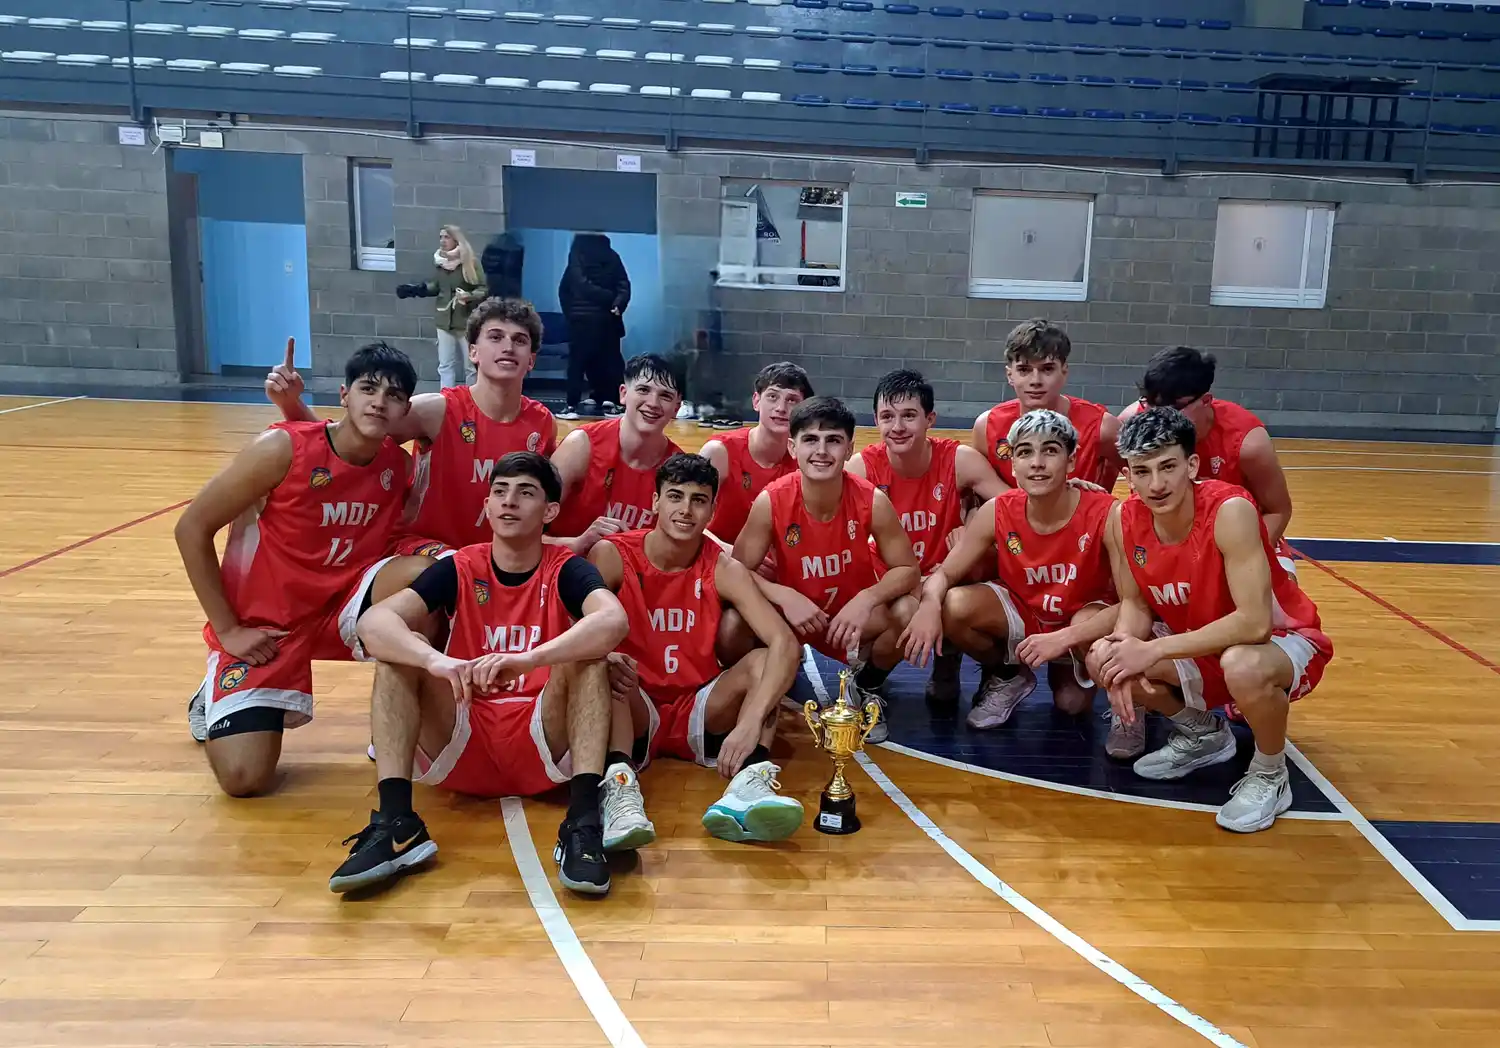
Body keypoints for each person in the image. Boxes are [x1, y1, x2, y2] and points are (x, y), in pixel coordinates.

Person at [332, 452, 639, 896]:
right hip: (463, 729)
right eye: (500, 491)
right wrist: (437, 660)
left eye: (525, 492)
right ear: (488, 505)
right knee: (398, 656)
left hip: (539, 737)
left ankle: (583, 823)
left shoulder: (567, 568)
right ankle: (396, 824)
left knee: (591, 658)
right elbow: (372, 624)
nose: (509, 501)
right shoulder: (459, 566)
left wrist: (531, 659)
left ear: (550, 511)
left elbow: (613, 622)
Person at [177, 343, 418, 795]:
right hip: (267, 624)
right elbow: (190, 529)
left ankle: (410, 727)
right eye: (368, 389)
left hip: (341, 606)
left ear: (405, 409)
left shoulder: (397, 466)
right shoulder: (279, 449)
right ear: (345, 395)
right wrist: (227, 630)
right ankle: (215, 689)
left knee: (433, 578)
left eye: (393, 396)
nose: (379, 402)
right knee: (243, 780)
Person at [1089, 408, 1333, 834]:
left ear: (1192, 464)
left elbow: (1255, 624)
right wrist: (1122, 648)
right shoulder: (1122, 519)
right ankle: (1205, 735)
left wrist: (1152, 648)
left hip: (1280, 641)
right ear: (1127, 474)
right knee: (1104, 656)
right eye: (1142, 471)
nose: (1156, 484)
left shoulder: (1229, 510)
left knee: (1242, 664)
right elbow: (1135, 603)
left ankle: (1270, 772)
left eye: (1168, 467)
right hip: (1200, 640)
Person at [588, 454, 806, 842]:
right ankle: (619, 787)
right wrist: (604, 653)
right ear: (655, 502)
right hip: (635, 705)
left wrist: (750, 721)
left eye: (698, 500)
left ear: (712, 511)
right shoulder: (612, 555)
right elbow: (571, 628)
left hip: (700, 706)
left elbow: (784, 643)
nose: (685, 510)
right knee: (599, 663)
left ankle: (748, 779)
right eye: (675, 496)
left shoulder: (722, 567)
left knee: (766, 661)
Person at [901, 409, 1118, 730]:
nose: (1037, 462)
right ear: (1013, 464)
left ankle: (1131, 713)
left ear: (1071, 462)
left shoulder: (1107, 512)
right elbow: (945, 574)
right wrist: (929, 604)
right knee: (952, 604)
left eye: (1051, 451)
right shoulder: (997, 510)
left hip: (1081, 622)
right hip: (1026, 613)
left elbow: (1134, 605)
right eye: (1025, 452)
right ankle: (1009, 676)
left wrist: (1064, 637)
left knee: (1072, 705)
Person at [730, 397, 920, 738]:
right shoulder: (771, 500)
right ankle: (754, 683)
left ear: (849, 449)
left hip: (849, 619)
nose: (822, 451)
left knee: (907, 609)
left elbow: (907, 569)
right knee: (732, 624)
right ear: (792, 447)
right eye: (810, 440)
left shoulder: (871, 499)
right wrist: (783, 594)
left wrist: (866, 599)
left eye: (833, 440)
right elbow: (734, 572)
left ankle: (867, 683)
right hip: (793, 618)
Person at [847, 368, 1007, 704]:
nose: (898, 427)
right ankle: (870, 678)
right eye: (887, 416)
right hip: (894, 584)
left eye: (909, 416)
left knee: (972, 568)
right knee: (900, 611)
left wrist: (976, 522)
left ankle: (1001, 674)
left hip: (947, 580)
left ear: (930, 418)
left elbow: (1013, 509)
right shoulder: (862, 468)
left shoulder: (958, 460)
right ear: (876, 420)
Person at [1117, 346, 1294, 545]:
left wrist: (1242, 556)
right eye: (1150, 404)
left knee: (1278, 577)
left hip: (1236, 538)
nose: (1159, 416)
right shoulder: (1129, 425)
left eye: (1174, 408)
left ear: (1206, 401)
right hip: (1163, 538)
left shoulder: (1248, 443)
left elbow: (1277, 511)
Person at [549, 353, 683, 553]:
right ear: (623, 394)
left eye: (665, 396)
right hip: (564, 569)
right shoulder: (581, 446)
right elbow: (524, 534)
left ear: (676, 408)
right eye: (643, 390)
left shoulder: (678, 468)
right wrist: (578, 544)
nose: (653, 403)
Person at [972, 319, 1120, 489]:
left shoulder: (1102, 428)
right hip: (1011, 514)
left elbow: (1140, 481)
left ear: (1064, 371)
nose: (1035, 381)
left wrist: (1100, 502)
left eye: (1047, 369)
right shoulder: (986, 426)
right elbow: (975, 495)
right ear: (1010, 375)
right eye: (1024, 370)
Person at [700, 362, 815, 548]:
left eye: (792, 400)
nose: (781, 408)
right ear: (756, 401)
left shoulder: (806, 460)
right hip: (717, 557)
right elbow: (688, 519)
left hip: (772, 563)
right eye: (772, 396)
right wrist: (731, 554)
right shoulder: (719, 452)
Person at [396, 224, 488, 389]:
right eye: (440, 237)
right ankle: (447, 399)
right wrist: (418, 290)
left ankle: (473, 400)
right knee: (445, 365)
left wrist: (469, 296)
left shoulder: (470, 262)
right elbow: (437, 286)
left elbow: (483, 289)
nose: (442, 241)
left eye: (446, 237)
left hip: (465, 320)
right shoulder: (440, 262)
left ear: (456, 239)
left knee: (470, 366)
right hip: (444, 319)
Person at [558, 232, 631, 420]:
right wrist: (616, 303)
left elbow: (570, 288)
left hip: (581, 320)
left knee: (578, 362)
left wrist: (571, 313)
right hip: (608, 318)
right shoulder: (612, 256)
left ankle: (572, 405)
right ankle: (611, 401)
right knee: (610, 361)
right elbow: (624, 284)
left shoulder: (577, 256)